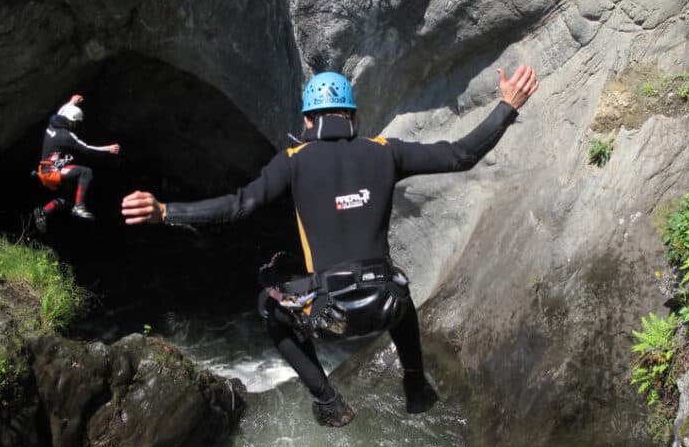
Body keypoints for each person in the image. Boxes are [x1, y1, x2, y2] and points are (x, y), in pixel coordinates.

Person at [121, 65, 539, 427]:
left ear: (307, 122)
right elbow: (461, 155)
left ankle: (328, 400)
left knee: (269, 301)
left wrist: (165, 211)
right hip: (385, 303)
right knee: (397, 282)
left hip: (329, 311)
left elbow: (239, 205)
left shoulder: (293, 158)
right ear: (352, 117)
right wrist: (508, 106)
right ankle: (414, 382)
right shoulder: (385, 151)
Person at [34, 94, 121, 233]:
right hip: (50, 172)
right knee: (86, 172)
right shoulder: (66, 136)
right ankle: (79, 207)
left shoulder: (53, 123)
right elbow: (87, 148)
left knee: (68, 198)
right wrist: (108, 149)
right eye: (75, 123)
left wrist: (71, 102)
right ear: (71, 121)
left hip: (46, 169)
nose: (75, 126)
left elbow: (61, 112)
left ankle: (43, 212)